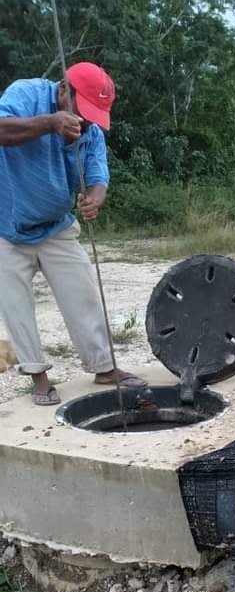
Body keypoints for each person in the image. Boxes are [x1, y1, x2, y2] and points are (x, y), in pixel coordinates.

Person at [0, 61, 145, 405]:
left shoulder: (91, 132)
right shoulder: (26, 93)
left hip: (55, 225)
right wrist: (50, 124)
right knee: (15, 304)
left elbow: (98, 176)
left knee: (83, 292)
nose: (88, 121)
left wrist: (94, 199)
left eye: (96, 115)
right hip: (5, 227)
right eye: (85, 111)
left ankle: (104, 367)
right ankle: (38, 377)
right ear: (64, 90)